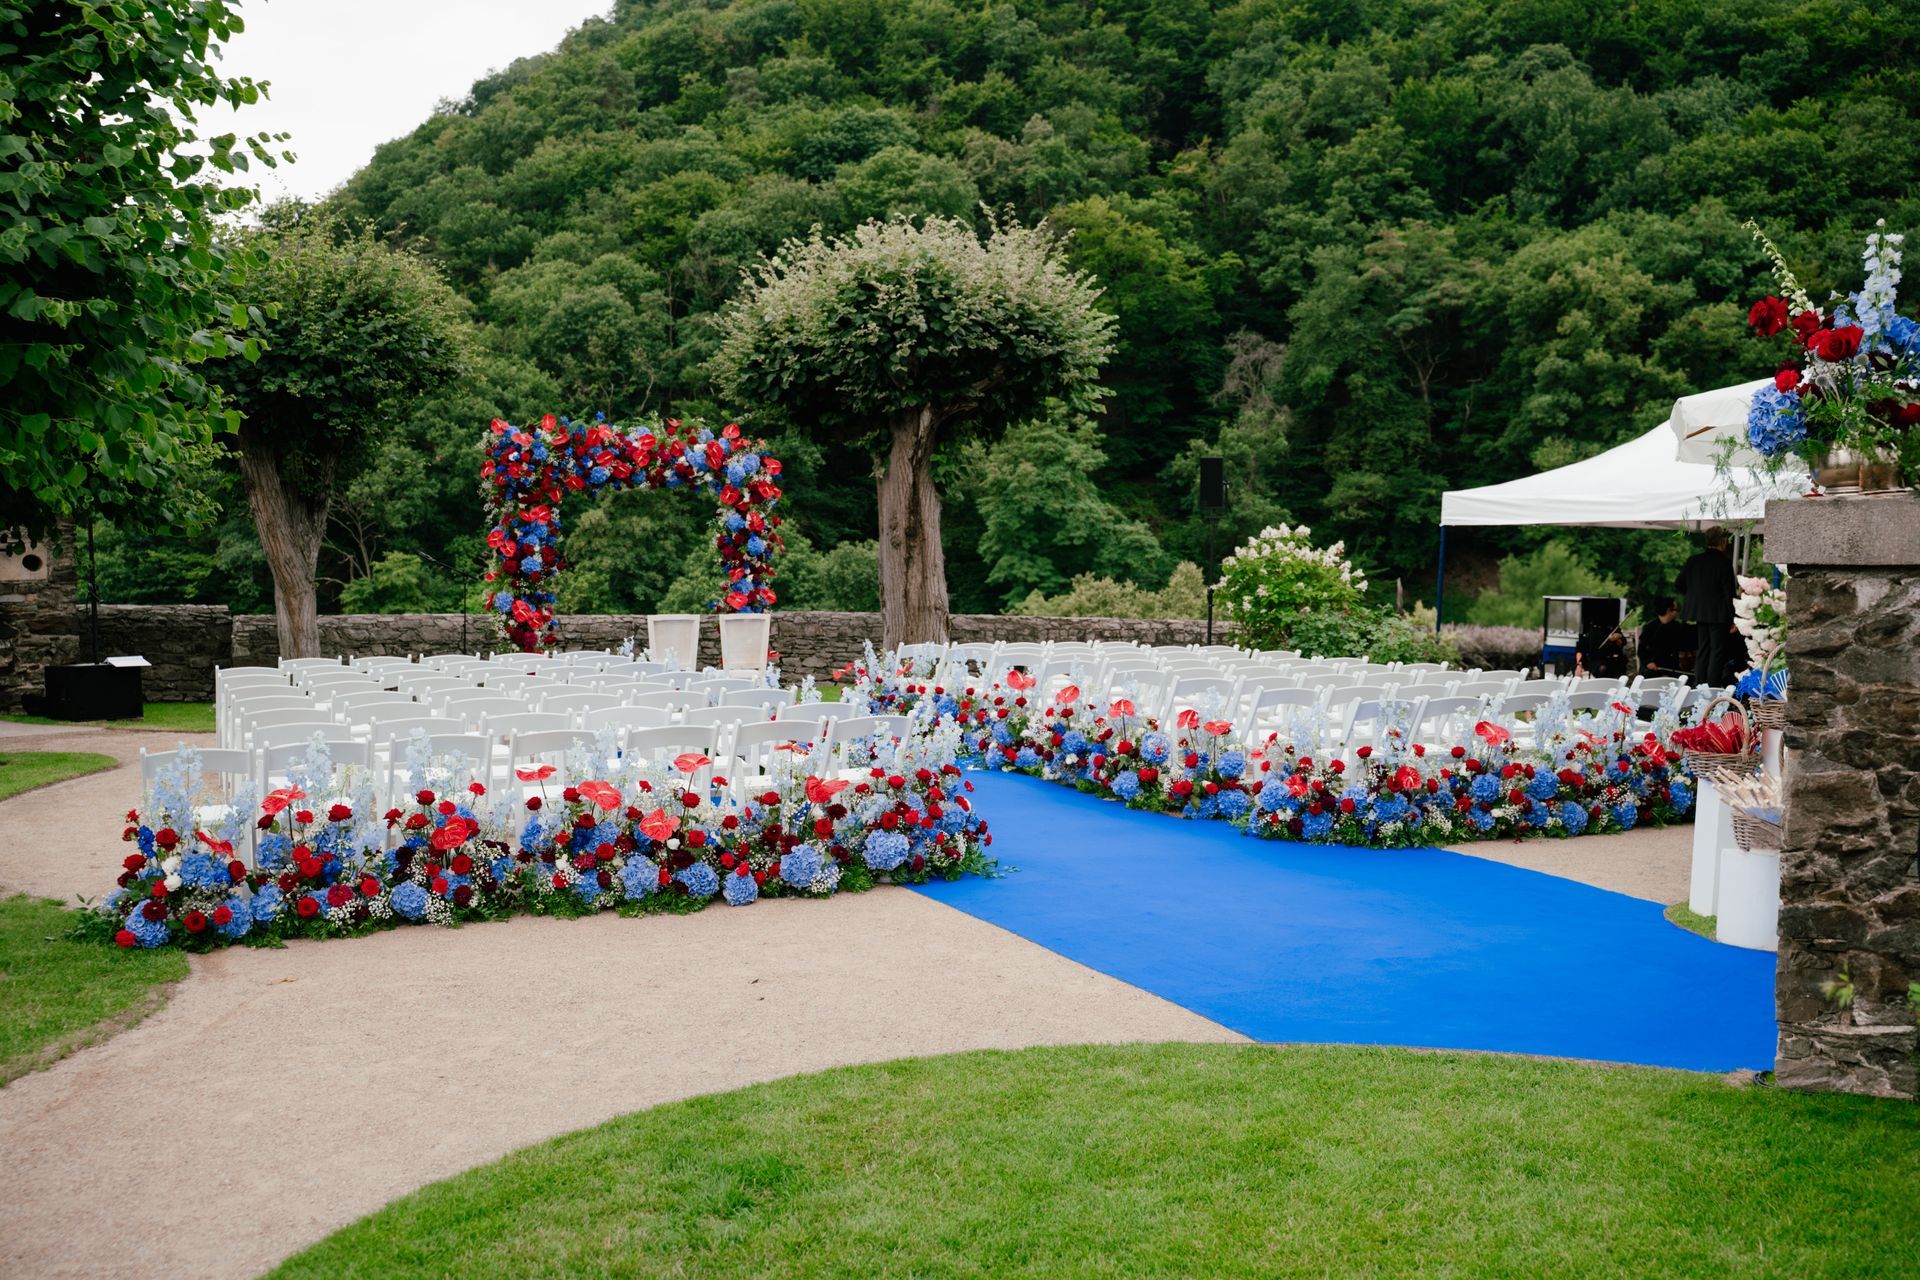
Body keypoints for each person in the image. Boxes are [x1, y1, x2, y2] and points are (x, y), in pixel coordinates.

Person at [1675, 526, 1739, 686]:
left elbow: (1679, 585)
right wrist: (1734, 617)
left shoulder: (1693, 561)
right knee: (1717, 651)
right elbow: (1729, 593)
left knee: (1703, 650)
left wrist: (1696, 595)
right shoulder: (1724, 563)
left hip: (1698, 612)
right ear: (1723, 542)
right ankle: (1711, 688)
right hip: (1719, 614)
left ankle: (1699, 685)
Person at [1636, 596, 1693, 679]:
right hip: (1652, 667)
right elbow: (1641, 650)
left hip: (1671, 668)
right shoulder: (1649, 627)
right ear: (1669, 610)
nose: (1678, 613)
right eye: (1676, 610)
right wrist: (1648, 662)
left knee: (1687, 678)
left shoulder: (1677, 626)